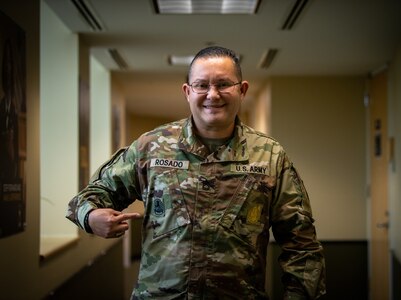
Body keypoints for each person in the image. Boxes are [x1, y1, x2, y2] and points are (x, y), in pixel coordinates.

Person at [67, 46, 326, 299]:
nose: (213, 95)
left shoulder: (270, 156)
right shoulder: (152, 147)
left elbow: (302, 245)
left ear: (242, 90)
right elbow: (90, 196)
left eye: (223, 84)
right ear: (188, 92)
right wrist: (90, 216)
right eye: (202, 85)